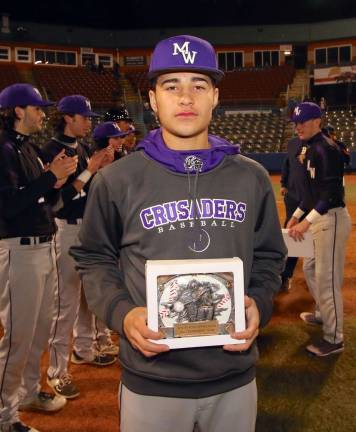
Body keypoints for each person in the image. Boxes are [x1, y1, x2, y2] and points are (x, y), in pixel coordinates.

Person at [70, 35, 286, 432]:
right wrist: (123, 312)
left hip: (234, 376)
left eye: (198, 86)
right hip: (153, 381)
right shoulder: (117, 180)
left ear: (215, 96)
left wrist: (259, 301)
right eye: (172, 86)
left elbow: (271, 256)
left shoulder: (251, 177)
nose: (186, 97)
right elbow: (94, 257)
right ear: (152, 99)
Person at [0, 84, 77, 432]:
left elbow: (38, 197)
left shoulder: (27, 147)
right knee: (18, 337)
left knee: (38, 332)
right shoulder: (2, 149)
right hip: (18, 249)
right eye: (36, 108)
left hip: (43, 245)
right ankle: (5, 417)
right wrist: (51, 177)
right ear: (18, 110)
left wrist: (55, 182)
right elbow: (9, 205)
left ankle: (30, 392)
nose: (43, 114)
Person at [40, 95, 117, 401]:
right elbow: (59, 203)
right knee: (65, 304)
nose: (89, 122)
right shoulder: (50, 150)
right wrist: (91, 170)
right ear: (68, 118)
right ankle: (57, 372)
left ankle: (84, 349)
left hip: (88, 228)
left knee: (88, 297)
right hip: (67, 230)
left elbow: (89, 188)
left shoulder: (83, 148)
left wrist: (99, 169)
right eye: (85, 117)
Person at [287, 102, 351, 357]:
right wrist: (296, 215)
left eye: (304, 121)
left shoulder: (327, 149)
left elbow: (331, 195)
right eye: (296, 122)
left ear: (318, 121)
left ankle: (334, 339)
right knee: (312, 268)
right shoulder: (309, 147)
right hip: (318, 218)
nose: (298, 126)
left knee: (328, 279)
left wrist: (306, 221)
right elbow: (310, 193)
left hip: (331, 219)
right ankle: (324, 314)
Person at [280, 137, 308, 291]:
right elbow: (287, 164)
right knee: (292, 234)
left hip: (312, 199)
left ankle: (315, 271)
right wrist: (284, 183)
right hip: (293, 197)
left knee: (314, 234)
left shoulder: (320, 145)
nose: (298, 127)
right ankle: (286, 274)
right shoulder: (293, 143)